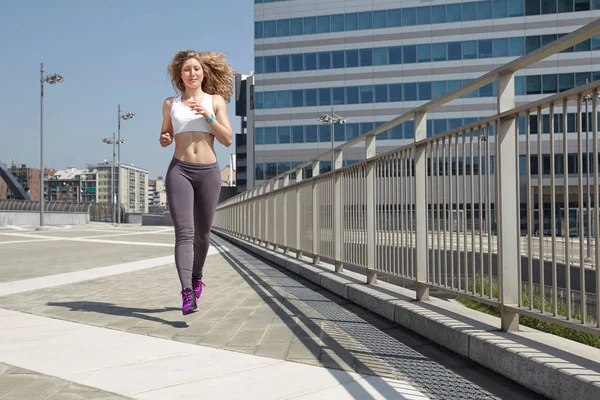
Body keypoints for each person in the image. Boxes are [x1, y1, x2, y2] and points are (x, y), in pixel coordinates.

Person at [160, 50, 234, 315]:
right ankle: (187, 293)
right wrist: (165, 138)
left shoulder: (215, 101)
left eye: (196, 69)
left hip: (208, 173)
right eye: (187, 69)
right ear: (180, 75)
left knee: (203, 234)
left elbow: (227, 139)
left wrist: (208, 116)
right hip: (179, 170)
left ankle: (196, 277)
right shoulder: (171, 103)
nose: (192, 73)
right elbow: (165, 133)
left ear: (204, 73)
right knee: (185, 233)